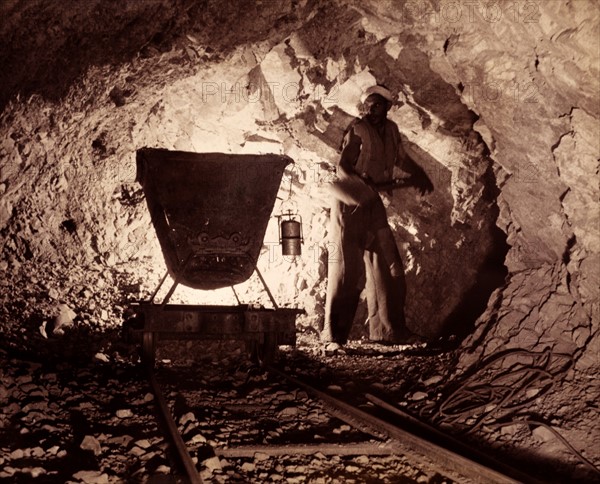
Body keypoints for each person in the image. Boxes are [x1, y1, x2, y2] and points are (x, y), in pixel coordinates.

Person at [322, 84, 433, 347]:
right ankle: (333, 336)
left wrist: (419, 174)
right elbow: (343, 166)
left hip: (372, 203)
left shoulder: (392, 131)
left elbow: (401, 159)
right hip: (349, 203)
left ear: (387, 107)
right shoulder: (358, 130)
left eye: (377, 105)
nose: (371, 110)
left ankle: (389, 331)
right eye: (368, 106)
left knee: (387, 262)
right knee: (346, 271)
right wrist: (360, 183)